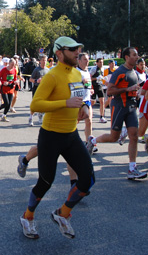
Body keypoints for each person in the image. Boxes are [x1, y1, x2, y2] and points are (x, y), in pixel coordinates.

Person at [20, 36, 94, 240]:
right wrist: (65, 103)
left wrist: (85, 107)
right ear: (59, 53)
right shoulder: (52, 76)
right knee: (45, 181)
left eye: (78, 49)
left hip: (71, 135)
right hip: (51, 136)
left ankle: (62, 214)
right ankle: (27, 217)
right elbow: (35, 105)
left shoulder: (78, 74)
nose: (77, 53)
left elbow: (81, 98)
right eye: (72, 50)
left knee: (87, 180)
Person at [88, 47, 148, 180]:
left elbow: (136, 87)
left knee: (134, 136)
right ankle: (93, 140)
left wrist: (136, 93)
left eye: (137, 55)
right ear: (127, 57)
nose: (137, 57)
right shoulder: (120, 71)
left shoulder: (134, 72)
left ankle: (132, 168)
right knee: (114, 137)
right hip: (120, 106)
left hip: (131, 107)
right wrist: (128, 89)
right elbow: (109, 91)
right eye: (134, 55)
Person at [77, 53, 94, 146]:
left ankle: (89, 142)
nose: (87, 61)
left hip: (87, 99)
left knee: (89, 121)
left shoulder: (87, 71)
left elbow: (88, 85)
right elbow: (71, 85)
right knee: (74, 122)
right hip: (78, 101)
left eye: (87, 59)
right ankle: (61, 138)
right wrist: (81, 83)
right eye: (85, 59)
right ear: (79, 61)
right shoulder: (76, 72)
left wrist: (91, 90)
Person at [28, 54, 48, 126]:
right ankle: (30, 118)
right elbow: (30, 79)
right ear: (40, 61)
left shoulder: (47, 70)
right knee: (35, 104)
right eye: (43, 60)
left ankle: (40, 117)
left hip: (44, 89)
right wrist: (36, 81)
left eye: (45, 60)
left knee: (43, 104)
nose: (44, 62)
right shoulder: (36, 69)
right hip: (36, 88)